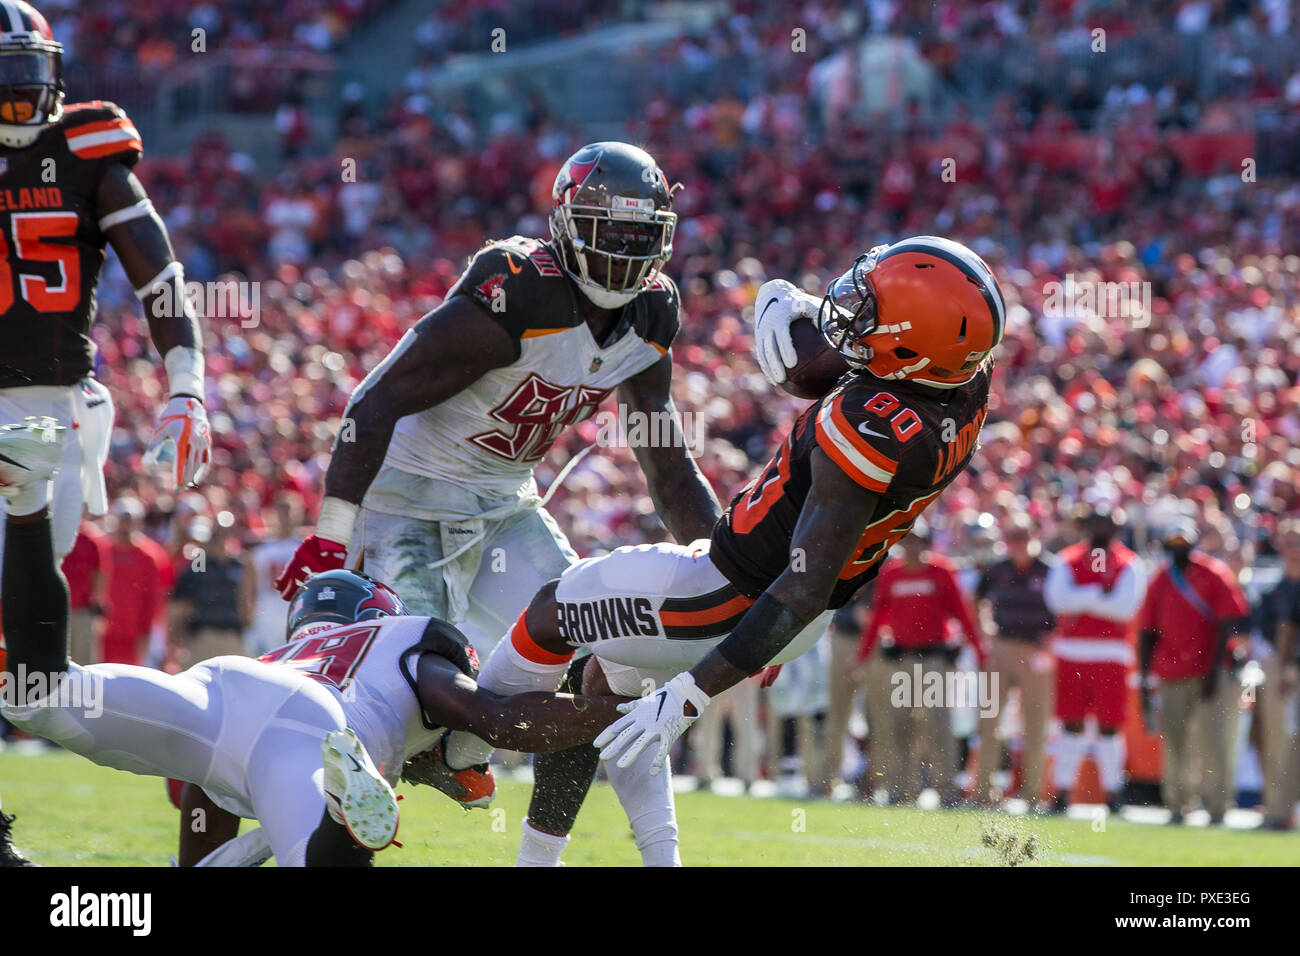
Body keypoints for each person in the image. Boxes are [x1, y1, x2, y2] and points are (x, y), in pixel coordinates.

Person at [459, 236, 1003, 864]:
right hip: (798, 607)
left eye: (875, 313)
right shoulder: (959, 378)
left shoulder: (869, 428)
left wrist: (695, 688)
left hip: (734, 594)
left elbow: (799, 583)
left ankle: (462, 752)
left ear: (910, 349)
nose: (854, 312)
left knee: (552, 613)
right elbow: (815, 368)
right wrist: (787, 304)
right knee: (605, 677)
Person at [274, 142, 722, 821]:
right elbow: (376, 400)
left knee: (587, 646)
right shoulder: (520, 285)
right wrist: (332, 534)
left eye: (642, 233)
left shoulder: (653, 312)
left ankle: (518, 826)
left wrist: (730, 576)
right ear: (569, 224)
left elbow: (665, 461)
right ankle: (303, 787)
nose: (627, 251)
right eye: (612, 231)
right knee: (408, 687)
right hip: (408, 499)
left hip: (508, 501)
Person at [0, 419, 627, 866]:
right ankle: (344, 821)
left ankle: (27, 500)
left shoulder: (279, 651)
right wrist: (620, 713)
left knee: (41, 693)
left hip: (221, 690)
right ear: (377, 608)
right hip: (322, 729)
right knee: (319, 844)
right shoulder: (401, 635)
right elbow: (497, 718)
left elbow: (204, 832)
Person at [855, 526, 987, 806]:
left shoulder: (941, 571)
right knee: (901, 725)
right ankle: (901, 788)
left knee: (937, 723)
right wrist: (863, 655)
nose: (913, 547)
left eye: (918, 542)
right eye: (908, 541)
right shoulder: (891, 573)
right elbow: (878, 616)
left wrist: (979, 651)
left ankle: (945, 789)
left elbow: (962, 614)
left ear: (926, 544)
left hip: (933, 659)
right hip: (902, 659)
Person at [1138, 518, 1250, 824]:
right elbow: (1147, 631)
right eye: (1173, 545)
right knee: (1175, 739)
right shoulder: (1160, 579)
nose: (1178, 550)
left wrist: (1214, 669)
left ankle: (1218, 805)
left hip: (1212, 670)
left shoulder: (1214, 573)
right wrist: (1144, 676)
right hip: (1172, 671)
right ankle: (1177, 803)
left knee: (1215, 739)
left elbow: (1229, 621)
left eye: (1183, 544)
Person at [1044, 504, 1147, 814]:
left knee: (1109, 725)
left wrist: (1082, 599)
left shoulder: (1129, 562)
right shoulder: (1067, 558)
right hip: (1072, 652)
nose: (1100, 528)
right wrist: (1097, 595)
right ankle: (1062, 791)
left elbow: (1125, 607)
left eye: (1106, 523)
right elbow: (1057, 600)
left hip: (1111, 653)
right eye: (1096, 522)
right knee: (1070, 724)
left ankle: (1113, 792)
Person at [974, 514, 1055, 808]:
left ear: (1035, 536)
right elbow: (977, 600)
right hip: (1002, 648)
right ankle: (984, 791)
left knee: (1035, 725)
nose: (1018, 544)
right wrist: (986, 631)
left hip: (1036, 651)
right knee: (989, 721)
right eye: (1013, 538)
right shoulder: (997, 569)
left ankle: (1034, 794)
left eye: (1023, 537)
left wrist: (1051, 640)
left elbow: (1064, 610)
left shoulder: (1051, 569)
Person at [1257, 518, 1300, 829]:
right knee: (1281, 741)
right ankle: (1278, 808)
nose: (1293, 550)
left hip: (1290, 667)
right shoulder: (1276, 589)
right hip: (1284, 670)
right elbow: (1281, 631)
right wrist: (1285, 668)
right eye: (1288, 543)